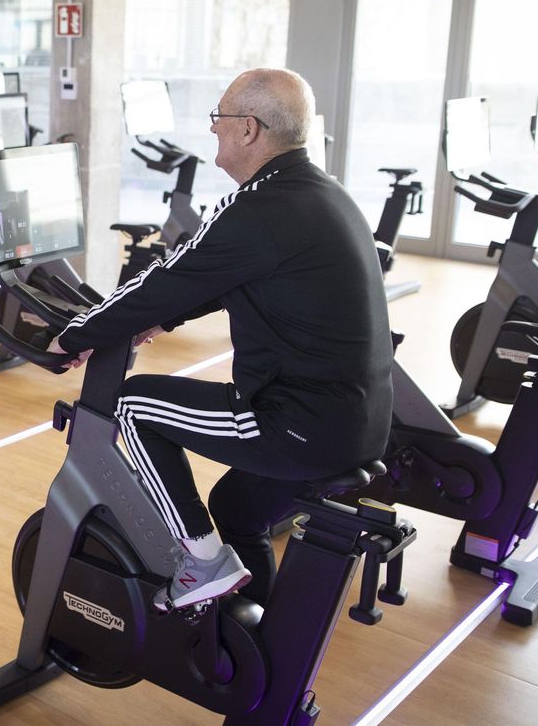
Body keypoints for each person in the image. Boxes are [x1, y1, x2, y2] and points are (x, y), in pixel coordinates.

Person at [48, 68, 391, 611]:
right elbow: (232, 275)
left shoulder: (255, 207)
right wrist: (161, 321)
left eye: (219, 118)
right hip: (358, 422)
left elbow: (167, 280)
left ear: (249, 129)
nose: (213, 130)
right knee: (235, 508)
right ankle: (255, 639)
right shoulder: (322, 193)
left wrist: (73, 336)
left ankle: (203, 562)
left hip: (296, 422)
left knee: (133, 405)